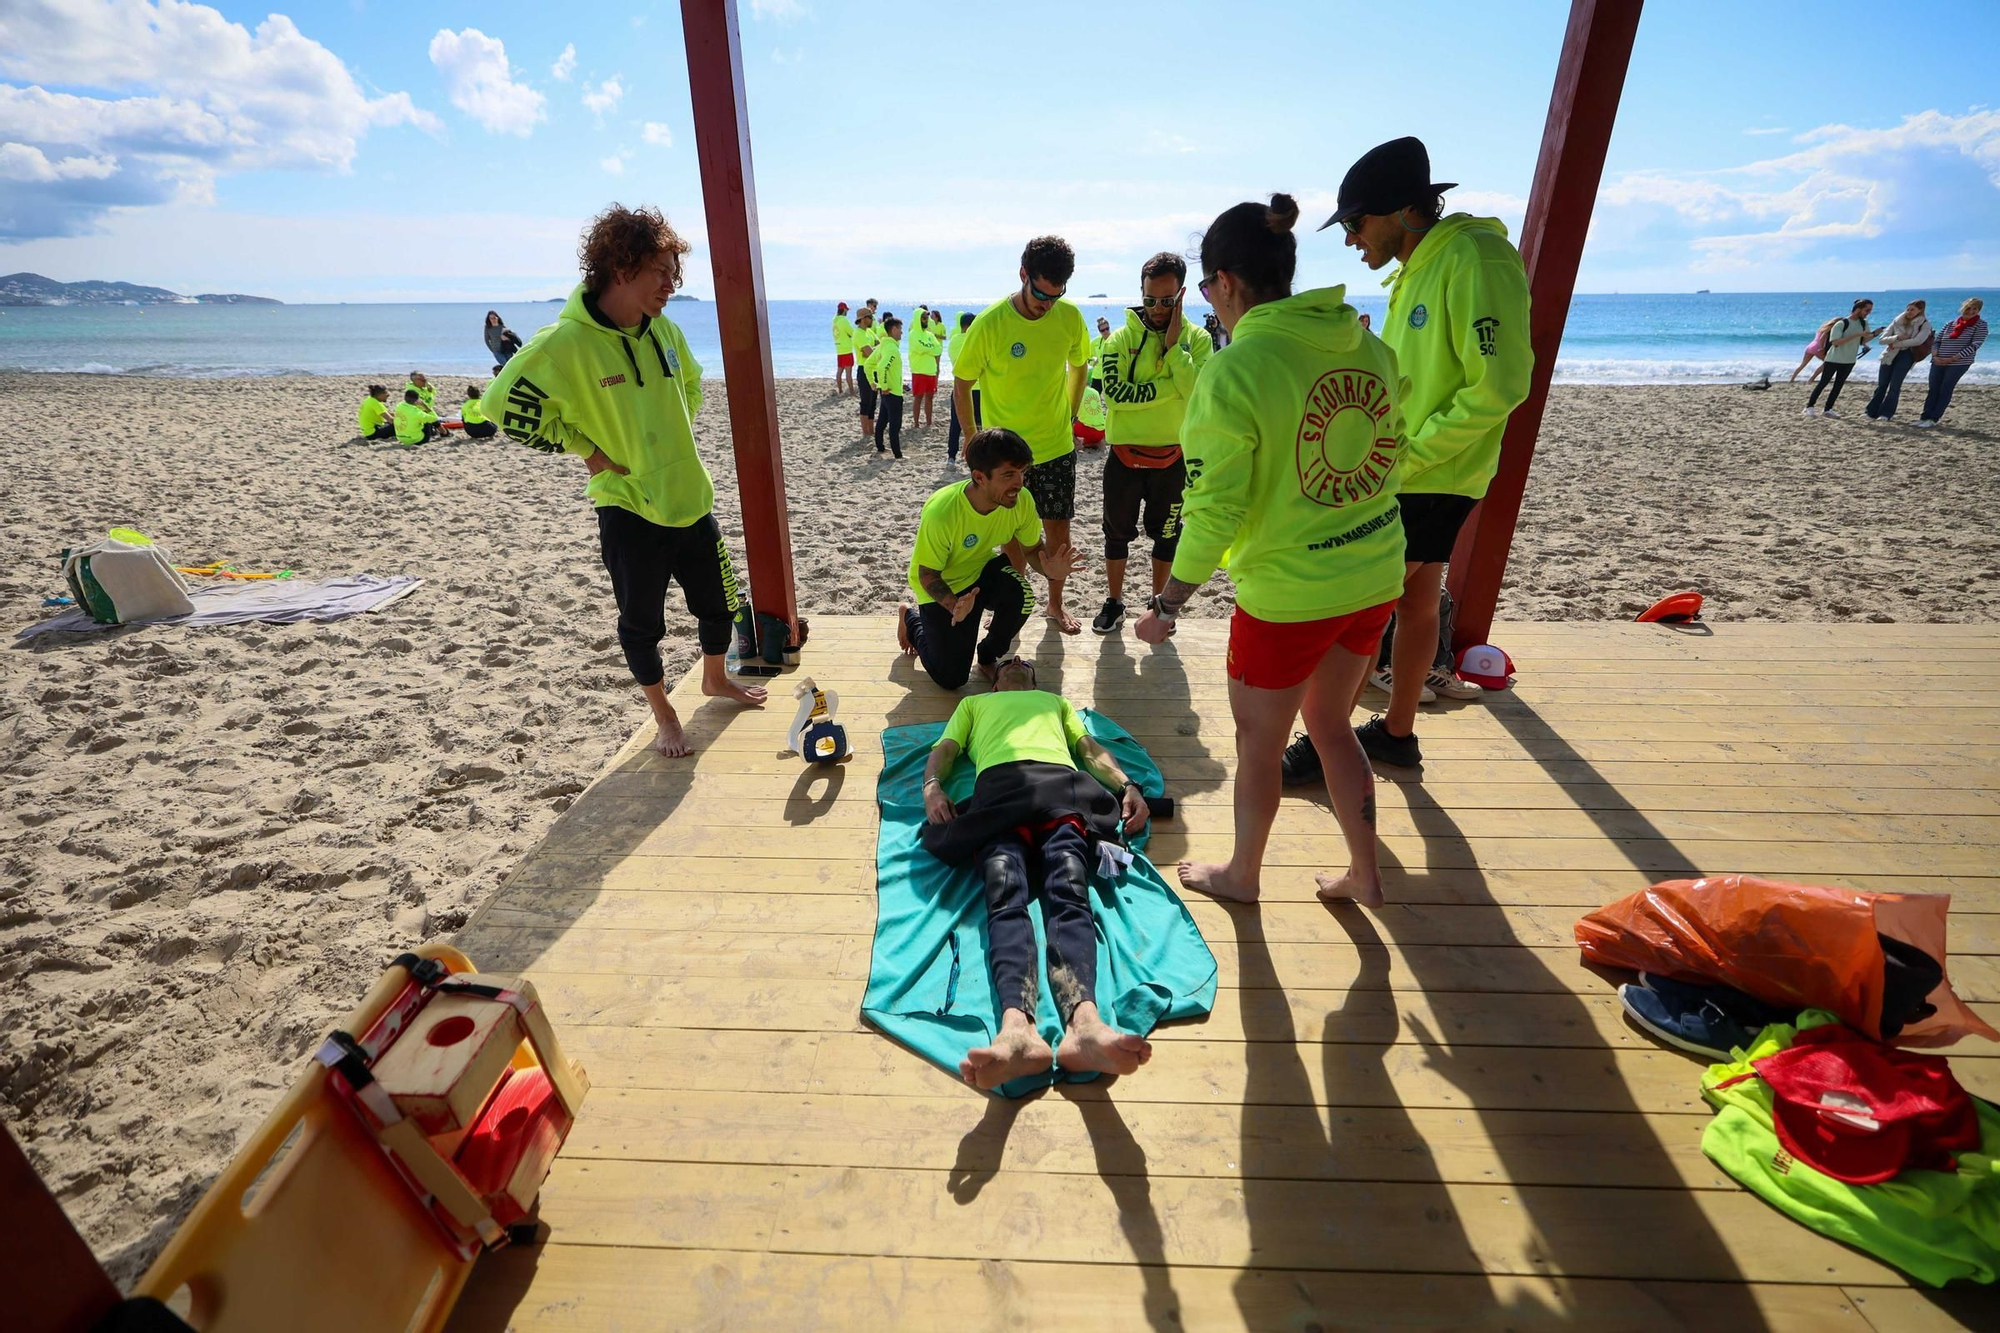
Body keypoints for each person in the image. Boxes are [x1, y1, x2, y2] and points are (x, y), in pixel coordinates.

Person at [1131, 194, 1407, 909]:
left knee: (1261, 744)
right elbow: (1389, 453)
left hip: (1289, 596)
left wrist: (1167, 602)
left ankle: (1243, 875)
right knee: (1332, 725)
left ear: (1222, 282)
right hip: (1374, 574)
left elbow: (1214, 508)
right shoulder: (1367, 345)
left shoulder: (1236, 368)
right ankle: (1365, 875)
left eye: (1203, 292)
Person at [485, 202, 767, 757]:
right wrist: (586, 449)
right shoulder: (563, 344)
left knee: (719, 605)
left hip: (689, 495)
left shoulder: (663, 329)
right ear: (621, 267)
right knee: (642, 625)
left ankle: (715, 678)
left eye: (673, 272)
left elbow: (690, 383)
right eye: (660, 271)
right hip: (629, 508)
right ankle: (664, 717)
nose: (671, 283)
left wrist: (669, 438)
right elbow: (502, 407)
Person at [1309, 135, 1533, 774]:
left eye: (1356, 222)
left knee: (1359, 611)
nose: (1351, 238)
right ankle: (1396, 734)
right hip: (1418, 471)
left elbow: (1500, 383)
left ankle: (1333, 748)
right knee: (1415, 603)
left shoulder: (1475, 258)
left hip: (1431, 473)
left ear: (1406, 209)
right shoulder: (1423, 263)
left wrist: (1407, 456)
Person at [920, 656, 1154, 1088]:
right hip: (1000, 794)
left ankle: (1085, 1025)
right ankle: (1017, 1031)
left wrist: (1128, 785)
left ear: (1034, 679)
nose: (1016, 660)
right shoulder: (974, 706)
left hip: (1060, 790)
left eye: (1024, 662)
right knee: (1003, 889)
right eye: (1007, 660)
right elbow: (946, 751)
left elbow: (1089, 752)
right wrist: (932, 787)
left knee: (1068, 885)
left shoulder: (1054, 702)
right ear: (993, 684)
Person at [950, 236, 1094, 634]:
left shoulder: (1068, 318)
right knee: (1010, 534)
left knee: (1057, 530)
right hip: (1005, 455)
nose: (1046, 304)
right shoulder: (991, 322)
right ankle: (1015, 606)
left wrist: (1072, 412)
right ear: (1023, 274)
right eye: (1039, 294)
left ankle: (1054, 604)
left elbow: (1080, 366)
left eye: (1055, 295)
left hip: (1055, 447)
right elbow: (962, 385)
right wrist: (971, 436)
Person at [898, 428, 1083, 690]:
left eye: (1022, 472)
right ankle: (910, 618)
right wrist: (954, 605)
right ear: (979, 477)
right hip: (943, 586)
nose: (1019, 483)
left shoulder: (1021, 500)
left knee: (1022, 597)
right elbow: (926, 574)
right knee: (951, 679)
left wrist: (1051, 569)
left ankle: (987, 655)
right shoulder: (943, 512)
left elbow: (1032, 550)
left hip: (982, 571)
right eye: (1009, 474)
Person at [1091, 250, 1212, 635]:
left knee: (1168, 536)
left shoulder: (1199, 339)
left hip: (1173, 460)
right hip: (1124, 460)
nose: (1157, 308)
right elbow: (1117, 395)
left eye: (1166, 300)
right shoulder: (1119, 341)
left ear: (1181, 295)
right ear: (1139, 293)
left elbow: (1196, 394)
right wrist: (1170, 382)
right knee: (1116, 536)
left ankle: (1159, 605)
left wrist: (1174, 348)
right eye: (1149, 299)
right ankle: (1114, 602)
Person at [1918, 298, 1986, 428]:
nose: (1971, 311)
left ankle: (1933, 419)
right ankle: (1924, 417)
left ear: (1978, 311)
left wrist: (1953, 358)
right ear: (1963, 308)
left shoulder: (1981, 325)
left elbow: (1975, 345)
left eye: (1975, 309)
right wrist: (1935, 355)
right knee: (1933, 389)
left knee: (1945, 389)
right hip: (1938, 361)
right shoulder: (1951, 323)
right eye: (1969, 308)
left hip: (1958, 363)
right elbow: (1937, 340)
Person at [1803, 299, 1874, 418]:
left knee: (1838, 385)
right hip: (1833, 359)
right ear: (1858, 309)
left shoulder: (1863, 324)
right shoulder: (1841, 323)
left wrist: (1875, 334)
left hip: (1849, 360)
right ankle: (1809, 406)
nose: (1868, 313)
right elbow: (1835, 342)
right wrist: (1856, 335)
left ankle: (1828, 409)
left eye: (1870, 311)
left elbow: (1863, 341)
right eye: (1867, 310)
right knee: (1823, 383)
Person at [1864, 299, 1931, 422]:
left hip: (1907, 355)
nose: (1909, 312)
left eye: (1913, 310)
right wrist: (1896, 337)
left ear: (1920, 311)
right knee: (1882, 385)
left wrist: (1896, 344)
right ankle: (1870, 411)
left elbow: (1918, 341)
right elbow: (1882, 339)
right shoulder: (1897, 321)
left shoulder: (1925, 324)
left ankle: (1886, 413)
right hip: (1890, 354)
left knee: (1895, 385)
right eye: (1908, 309)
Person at [945, 310, 980, 465]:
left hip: (959, 387)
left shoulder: (953, 341)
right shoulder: (976, 340)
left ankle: (951, 457)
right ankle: (978, 458)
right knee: (980, 425)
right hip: (978, 388)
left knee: (956, 423)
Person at [871, 315, 906, 459]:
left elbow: (869, 364)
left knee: (882, 421)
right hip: (892, 392)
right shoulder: (891, 348)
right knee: (895, 425)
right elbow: (882, 367)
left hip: (887, 391)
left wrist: (876, 384)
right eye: (900, 329)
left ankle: (880, 447)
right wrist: (883, 385)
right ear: (894, 329)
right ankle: (897, 454)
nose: (902, 333)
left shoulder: (883, 345)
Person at [909, 306, 944, 429]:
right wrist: (930, 349)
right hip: (919, 370)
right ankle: (916, 423)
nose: (925, 320)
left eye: (926, 318)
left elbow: (938, 349)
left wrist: (928, 349)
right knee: (918, 397)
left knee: (930, 397)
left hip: (931, 370)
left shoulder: (930, 334)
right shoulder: (913, 334)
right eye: (923, 318)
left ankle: (929, 422)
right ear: (918, 319)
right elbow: (919, 348)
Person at [852, 307, 880, 442]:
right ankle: (866, 432)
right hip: (864, 369)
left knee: (873, 401)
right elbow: (869, 353)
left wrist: (874, 350)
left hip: (874, 369)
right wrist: (874, 350)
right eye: (870, 317)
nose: (872, 320)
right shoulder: (858, 333)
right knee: (865, 402)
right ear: (863, 319)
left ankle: (871, 431)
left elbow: (880, 346)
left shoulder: (869, 331)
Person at [832, 301, 856, 395]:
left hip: (839, 349)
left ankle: (840, 390)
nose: (847, 312)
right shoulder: (844, 320)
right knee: (848, 372)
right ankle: (851, 391)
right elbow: (852, 333)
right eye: (847, 310)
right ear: (844, 310)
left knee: (839, 371)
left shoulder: (834, 321)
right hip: (846, 349)